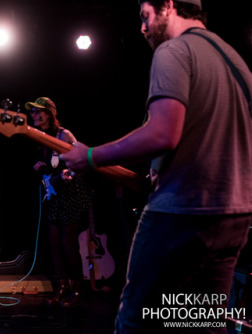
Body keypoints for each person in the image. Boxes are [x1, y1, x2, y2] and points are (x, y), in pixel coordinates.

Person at [60, 0, 252, 332]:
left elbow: (162, 133)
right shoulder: (236, 61)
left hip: (181, 212)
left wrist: (89, 156)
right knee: (201, 322)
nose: (142, 28)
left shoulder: (174, 51)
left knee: (136, 321)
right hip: (235, 214)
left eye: (145, 16)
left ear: (168, 5)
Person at [25, 97, 93, 307]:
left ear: (50, 113)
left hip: (70, 193)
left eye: (39, 112)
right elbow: (49, 164)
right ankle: (61, 287)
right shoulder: (39, 137)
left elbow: (80, 161)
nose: (34, 115)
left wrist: (67, 173)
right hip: (54, 193)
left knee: (67, 242)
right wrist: (41, 168)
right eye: (33, 112)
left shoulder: (64, 134)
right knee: (53, 242)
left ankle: (77, 289)